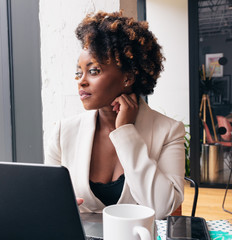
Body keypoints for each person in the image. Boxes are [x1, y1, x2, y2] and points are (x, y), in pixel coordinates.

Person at [44, 11, 185, 220]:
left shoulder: (169, 131)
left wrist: (126, 132)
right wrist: (58, 206)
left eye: (93, 71)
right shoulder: (63, 132)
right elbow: (47, 200)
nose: (81, 81)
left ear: (127, 77)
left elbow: (162, 207)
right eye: (78, 72)